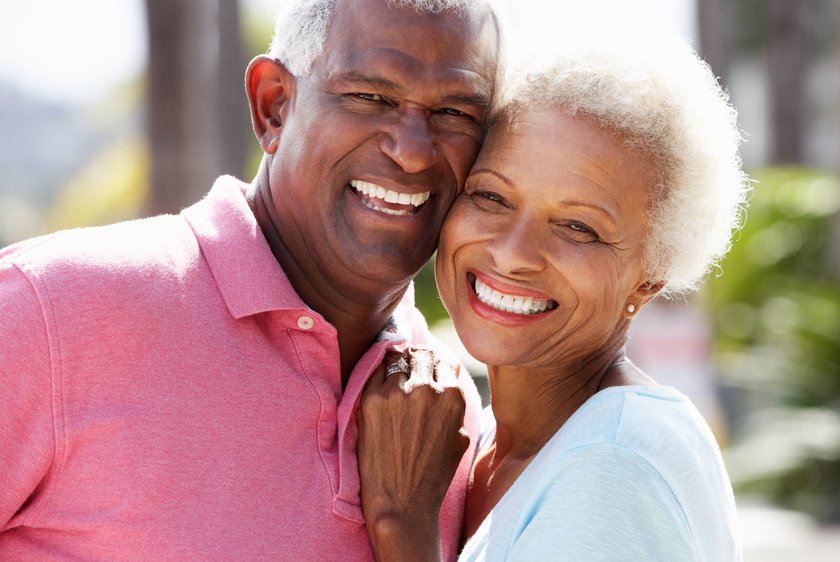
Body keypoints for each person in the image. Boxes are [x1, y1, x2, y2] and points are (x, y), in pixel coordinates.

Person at [0, 0, 500, 559]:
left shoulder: (450, 410)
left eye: (456, 113)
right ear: (273, 107)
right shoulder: (53, 311)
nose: (412, 152)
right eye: (370, 97)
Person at [356, 33, 747, 561]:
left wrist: (403, 527)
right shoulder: (499, 440)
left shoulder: (610, 464)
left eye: (578, 228)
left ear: (649, 278)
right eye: (491, 196)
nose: (515, 253)